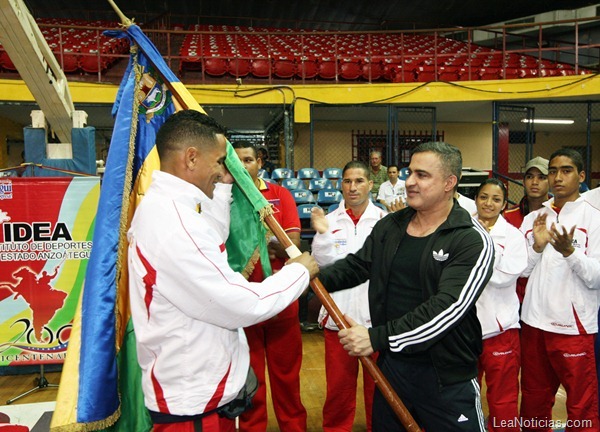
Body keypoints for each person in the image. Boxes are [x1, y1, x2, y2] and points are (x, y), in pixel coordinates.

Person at [127, 110, 319, 432]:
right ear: (191, 158)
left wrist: (227, 186)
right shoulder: (174, 223)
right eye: (219, 162)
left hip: (201, 390)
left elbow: (213, 237)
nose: (223, 170)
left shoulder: (177, 209)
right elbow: (239, 304)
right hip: (193, 402)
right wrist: (299, 272)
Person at [318, 141, 495, 431]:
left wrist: (377, 339)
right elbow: (358, 266)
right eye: (410, 172)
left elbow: (447, 309)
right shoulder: (391, 226)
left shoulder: (471, 240)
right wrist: (305, 279)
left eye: (422, 175)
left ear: (450, 182)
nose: (409, 182)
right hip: (393, 370)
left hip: (446, 376)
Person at [519, 148, 600, 432]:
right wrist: (537, 248)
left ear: (581, 176)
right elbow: (521, 271)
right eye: (552, 171)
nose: (557, 177)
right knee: (533, 400)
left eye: (566, 171)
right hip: (533, 324)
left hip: (573, 329)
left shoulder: (595, 218)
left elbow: (596, 277)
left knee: (582, 405)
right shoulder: (535, 218)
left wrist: (570, 253)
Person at [232, 141, 308, 432]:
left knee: (287, 376)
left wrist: (259, 242)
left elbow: (293, 245)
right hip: (242, 302)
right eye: (236, 161)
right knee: (251, 378)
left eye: (248, 160)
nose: (242, 166)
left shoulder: (278, 194)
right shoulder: (223, 199)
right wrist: (267, 240)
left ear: (260, 163)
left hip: (281, 301)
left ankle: (294, 427)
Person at [310, 161, 387, 432]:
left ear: (370, 184)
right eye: (347, 181)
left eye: (359, 181)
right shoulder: (328, 221)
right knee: (338, 392)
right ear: (340, 185)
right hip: (338, 319)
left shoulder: (385, 222)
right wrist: (321, 234)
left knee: (379, 393)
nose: (352, 187)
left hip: (375, 323)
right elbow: (324, 265)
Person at [473, 178, 527, 432]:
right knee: (460, 395)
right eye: (484, 197)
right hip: (464, 330)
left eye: (496, 199)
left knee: (502, 399)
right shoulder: (461, 229)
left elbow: (506, 277)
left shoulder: (514, 236)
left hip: (500, 330)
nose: (489, 203)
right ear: (476, 200)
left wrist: (483, 249)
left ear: (504, 205)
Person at [503, 156, 550, 304]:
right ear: (523, 181)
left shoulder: (559, 215)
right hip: (516, 296)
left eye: (542, 177)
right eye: (530, 177)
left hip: (549, 295)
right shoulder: (508, 217)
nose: (535, 182)